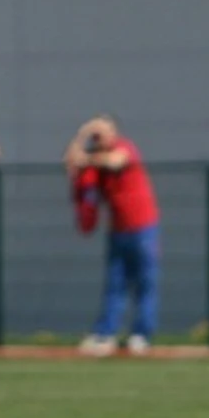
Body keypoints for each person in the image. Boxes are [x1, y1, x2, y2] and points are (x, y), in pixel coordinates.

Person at [63, 114, 160, 357]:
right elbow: (71, 161)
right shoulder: (94, 161)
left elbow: (116, 162)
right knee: (115, 285)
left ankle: (141, 335)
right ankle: (105, 334)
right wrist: (83, 133)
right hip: (118, 230)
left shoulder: (124, 148)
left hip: (143, 227)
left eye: (102, 133)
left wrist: (89, 157)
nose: (99, 139)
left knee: (145, 282)